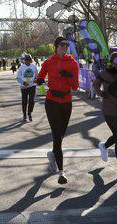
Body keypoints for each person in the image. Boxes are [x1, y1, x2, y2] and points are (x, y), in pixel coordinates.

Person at [35, 36, 79, 185]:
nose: (65, 47)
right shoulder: (48, 62)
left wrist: (70, 76)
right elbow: (39, 77)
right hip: (52, 101)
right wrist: (39, 80)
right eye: (62, 45)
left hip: (66, 102)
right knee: (56, 135)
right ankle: (61, 172)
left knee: (61, 135)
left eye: (66, 45)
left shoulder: (73, 63)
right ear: (56, 46)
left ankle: (53, 155)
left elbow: (75, 87)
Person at [16, 54, 38, 121]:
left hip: (32, 86)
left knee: (31, 101)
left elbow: (36, 75)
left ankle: (29, 113)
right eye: (26, 60)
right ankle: (24, 115)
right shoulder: (21, 67)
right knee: (24, 102)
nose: (28, 61)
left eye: (29, 60)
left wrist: (36, 79)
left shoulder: (34, 66)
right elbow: (18, 77)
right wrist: (23, 83)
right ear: (24, 60)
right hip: (24, 87)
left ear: (31, 60)